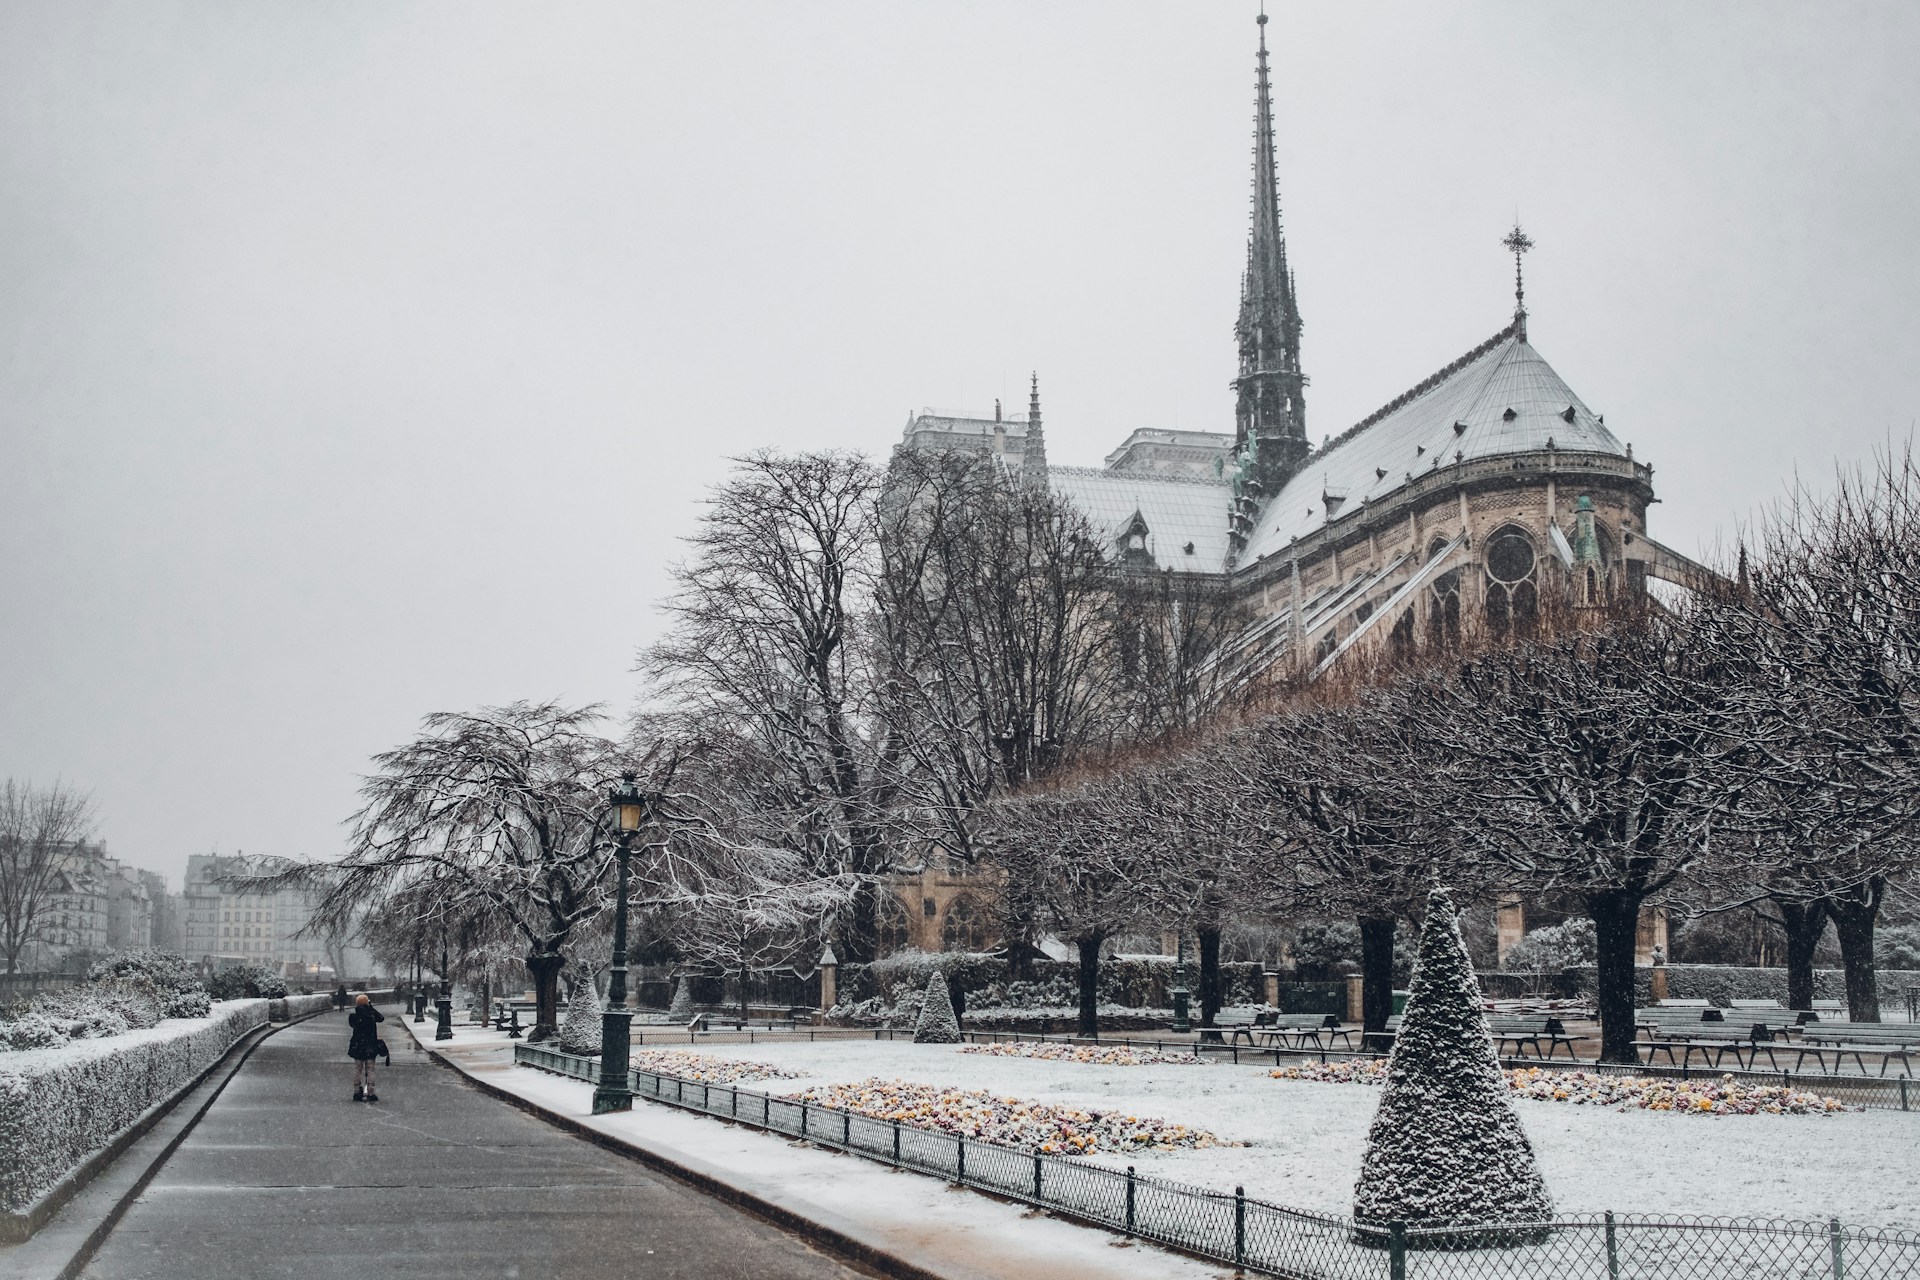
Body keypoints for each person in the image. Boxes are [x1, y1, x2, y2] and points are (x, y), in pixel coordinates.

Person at [348, 993, 385, 1102]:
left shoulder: (354, 1016)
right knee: (370, 1070)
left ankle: (356, 1091)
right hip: (370, 1045)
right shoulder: (372, 1015)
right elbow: (381, 1018)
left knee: (357, 1069)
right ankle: (371, 1092)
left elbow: (353, 1024)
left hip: (358, 1046)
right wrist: (371, 1007)